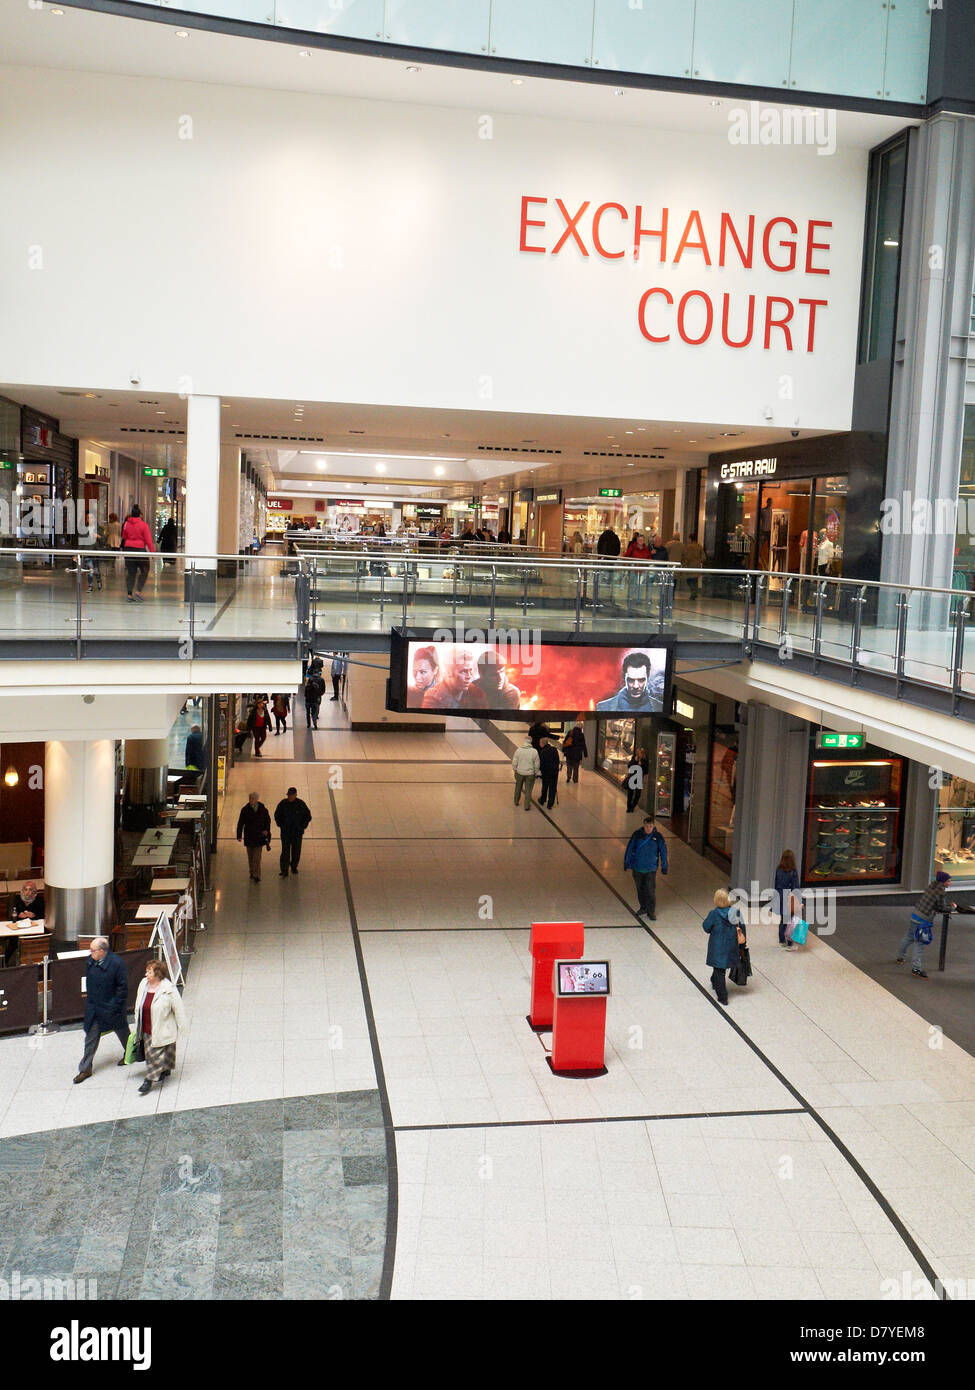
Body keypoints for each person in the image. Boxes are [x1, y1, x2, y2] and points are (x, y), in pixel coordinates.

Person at [74, 936, 130, 1083]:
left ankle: (130, 1054)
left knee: (123, 1032)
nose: (90, 953)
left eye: (92, 950)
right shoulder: (91, 961)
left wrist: (115, 1005)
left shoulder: (117, 964)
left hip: (112, 1007)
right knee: (91, 1038)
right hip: (95, 1008)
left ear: (101, 951)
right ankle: (85, 1069)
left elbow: (122, 988)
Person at [132, 959, 186, 1095]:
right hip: (145, 1026)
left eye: (149, 972)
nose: (146, 975)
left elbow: (179, 1010)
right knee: (158, 1051)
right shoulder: (143, 984)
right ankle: (165, 1068)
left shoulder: (168, 989)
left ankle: (149, 1080)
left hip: (162, 1028)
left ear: (157, 974)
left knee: (154, 1054)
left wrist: (182, 1028)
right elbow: (138, 1004)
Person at [896, 871, 955, 979]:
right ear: (943, 881)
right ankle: (916, 969)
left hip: (916, 914)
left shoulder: (932, 885)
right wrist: (952, 907)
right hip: (924, 919)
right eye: (948, 881)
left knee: (909, 936)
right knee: (920, 943)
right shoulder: (941, 891)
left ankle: (900, 957)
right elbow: (941, 907)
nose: (950, 882)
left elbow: (934, 903)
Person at [702, 888, 746, 1006]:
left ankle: (723, 997)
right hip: (731, 946)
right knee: (721, 968)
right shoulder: (736, 912)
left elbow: (706, 927)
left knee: (719, 969)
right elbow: (742, 929)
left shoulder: (714, 914)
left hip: (717, 946)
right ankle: (714, 980)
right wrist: (742, 945)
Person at [624, 815, 669, 920]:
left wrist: (664, 866)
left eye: (650, 826)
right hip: (638, 868)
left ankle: (651, 911)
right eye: (647, 826)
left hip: (651, 869)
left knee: (650, 890)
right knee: (640, 889)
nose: (648, 828)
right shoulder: (637, 835)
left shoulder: (658, 837)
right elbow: (630, 849)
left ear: (653, 826)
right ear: (643, 826)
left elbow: (663, 852)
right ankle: (643, 907)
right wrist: (627, 862)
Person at [594, 651, 665, 714]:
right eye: (631, 680)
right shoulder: (603, 707)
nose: (636, 686)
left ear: (647, 677)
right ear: (624, 678)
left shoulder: (660, 707)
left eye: (641, 680)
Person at [120, 504, 156, 603]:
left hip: (128, 549)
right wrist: (153, 553)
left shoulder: (126, 524)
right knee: (145, 570)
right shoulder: (144, 525)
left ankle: (129, 594)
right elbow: (148, 540)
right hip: (140, 550)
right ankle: (138, 591)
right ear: (140, 514)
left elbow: (124, 536)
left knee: (131, 572)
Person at [274, 785, 312, 876]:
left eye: (291, 795)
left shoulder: (301, 804)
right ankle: (284, 870)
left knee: (296, 851)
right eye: (288, 795)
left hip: (297, 833)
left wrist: (302, 826)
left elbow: (308, 816)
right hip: (286, 833)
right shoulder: (283, 804)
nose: (289, 797)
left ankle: (294, 867)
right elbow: (277, 815)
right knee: (285, 851)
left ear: (295, 795)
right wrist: (281, 825)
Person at [236, 791, 271, 883]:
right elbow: (240, 823)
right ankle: (252, 871)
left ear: (256, 799)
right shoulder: (245, 810)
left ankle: (257, 875)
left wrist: (267, 830)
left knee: (257, 857)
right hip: (249, 836)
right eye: (250, 798)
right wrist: (239, 835)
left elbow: (268, 821)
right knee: (250, 856)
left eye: (252, 799)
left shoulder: (263, 809)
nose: (251, 800)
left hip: (259, 836)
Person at [774, 849, 801, 948]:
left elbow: (776, 885)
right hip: (790, 898)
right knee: (791, 921)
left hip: (780, 897)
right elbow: (795, 887)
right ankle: (789, 942)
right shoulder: (793, 872)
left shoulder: (778, 869)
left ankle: (782, 940)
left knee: (783, 920)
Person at [511, 735, 540, 812]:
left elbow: (514, 762)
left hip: (519, 773)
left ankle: (516, 801)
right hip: (530, 774)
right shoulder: (534, 751)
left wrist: (515, 769)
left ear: (524, 741)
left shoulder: (518, 750)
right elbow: (537, 764)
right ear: (531, 742)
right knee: (528, 790)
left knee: (518, 787)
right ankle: (526, 806)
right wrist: (535, 772)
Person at [537, 736, 561, 809]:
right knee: (553, 787)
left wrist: (540, 772)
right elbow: (557, 760)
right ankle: (550, 803)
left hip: (546, 772)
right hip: (554, 771)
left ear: (542, 744)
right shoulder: (554, 750)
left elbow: (541, 764)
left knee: (545, 786)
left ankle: (542, 799)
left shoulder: (543, 752)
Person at [625, 746, 649, 813]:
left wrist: (641, 766)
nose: (639, 754)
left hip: (639, 778)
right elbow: (629, 766)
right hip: (632, 778)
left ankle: (632, 806)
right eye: (638, 752)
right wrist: (635, 761)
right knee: (630, 794)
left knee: (637, 795)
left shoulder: (645, 760)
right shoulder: (634, 758)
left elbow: (646, 771)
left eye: (641, 753)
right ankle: (628, 807)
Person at [682, 534, 706, 599]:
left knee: (689, 580)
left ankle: (693, 592)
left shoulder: (688, 547)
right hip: (697, 567)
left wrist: (685, 563)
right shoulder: (699, 546)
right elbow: (704, 557)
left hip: (690, 566)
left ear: (690, 539)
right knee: (695, 580)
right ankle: (694, 592)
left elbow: (686, 557)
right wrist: (698, 561)